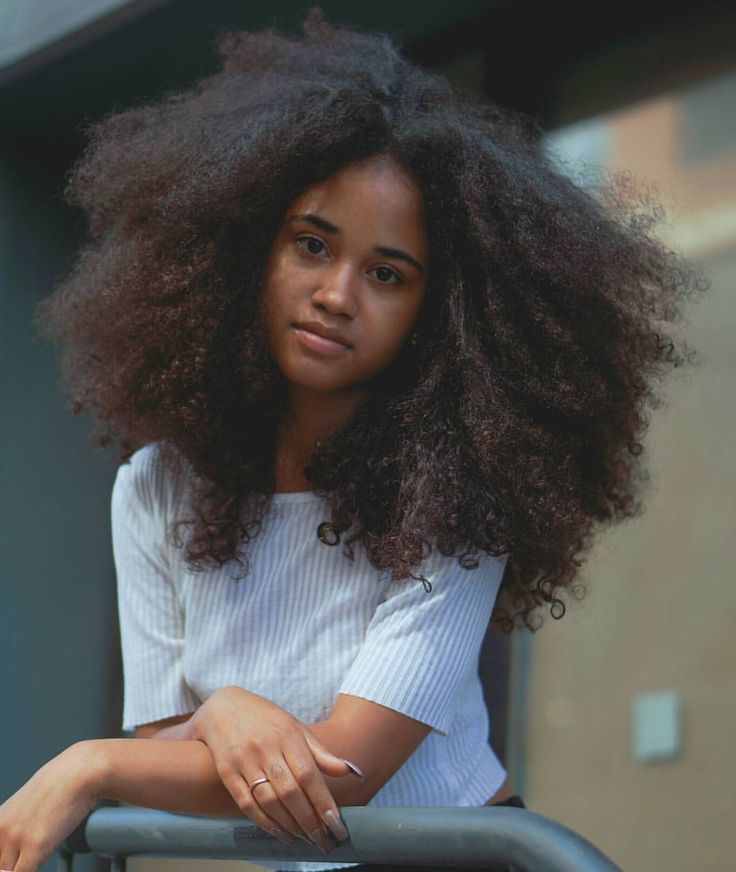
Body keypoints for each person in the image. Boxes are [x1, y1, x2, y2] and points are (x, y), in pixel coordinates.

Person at [0, 8, 705, 872]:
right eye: (310, 245)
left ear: (437, 316)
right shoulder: (156, 486)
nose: (337, 295)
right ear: (243, 254)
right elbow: (174, 746)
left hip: (465, 858)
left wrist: (97, 761)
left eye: (386, 274)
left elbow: (344, 774)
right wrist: (224, 718)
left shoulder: (457, 499)